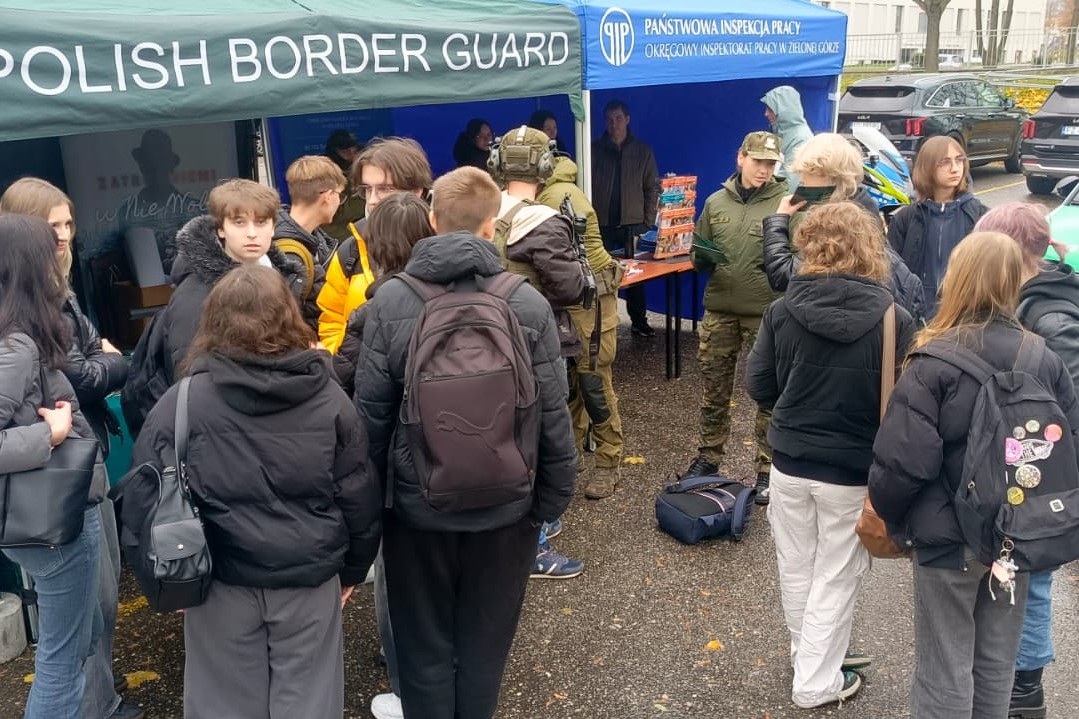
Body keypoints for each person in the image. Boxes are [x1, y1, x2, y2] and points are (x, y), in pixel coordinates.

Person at [353, 166, 576, 719]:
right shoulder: (525, 302)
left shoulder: (392, 301)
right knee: (484, 653)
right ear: (492, 225)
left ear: (432, 220)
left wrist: (369, 517)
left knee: (422, 651)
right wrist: (546, 504)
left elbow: (370, 421)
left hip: (416, 513)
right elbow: (553, 414)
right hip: (507, 510)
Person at [126, 264, 381, 719]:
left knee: (223, 705)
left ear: (213, 321)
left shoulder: (182, 401)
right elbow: (358, 495)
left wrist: (168, 580)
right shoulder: (330, 399)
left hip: (218, 579)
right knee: (309, 702)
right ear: (289, 317)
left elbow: (144, 499)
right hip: (308, 577)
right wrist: (352, 570)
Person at [868, 231, 1079, 718]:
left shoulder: (932, 359)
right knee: (996, 665)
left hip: (947, 539)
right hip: (1016, 533)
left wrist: (896, 521)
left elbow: (903, 461)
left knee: (943, 669)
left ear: (957, 279)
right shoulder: (1042, 357)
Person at [747, 202, 916, 708]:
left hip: (789, 462)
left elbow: (759, 385)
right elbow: (905, 403)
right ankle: (815, 682)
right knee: (837, 575)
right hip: (852, 470)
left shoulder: (781, 311)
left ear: (809, 245)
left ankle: (810, 657)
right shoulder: (895, 319)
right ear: (870, 247)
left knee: (797, 567)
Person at [0, 179, 139, 719]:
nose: (63, 243)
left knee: (74, 642)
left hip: (59, 501)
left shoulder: (23, 328)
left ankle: (98, 702)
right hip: (54, 510)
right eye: (49, 236)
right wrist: (52, 434)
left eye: (66, 227)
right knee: (63, 656)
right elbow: (86, 373)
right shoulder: (18, 342)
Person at [975, 203, 1077, 719]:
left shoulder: (1050, 316)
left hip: (1039, 476)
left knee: (1032, 582)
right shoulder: (1033, 299)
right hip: (1024, 466)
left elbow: (1067, 406)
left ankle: (1024, 692)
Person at [122, 179, 304, 434]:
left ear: (273, 227)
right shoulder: (196, 292)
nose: (252, 233)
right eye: (239, 222)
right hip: (224, 429)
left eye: (261, 222)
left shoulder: (280, 278)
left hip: (272, 417)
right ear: (220, 229)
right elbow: (187, 378)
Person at [491, 126, 587, 576]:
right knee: (537, 439)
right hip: (532, 342)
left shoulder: (480, 209)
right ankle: (535, 544)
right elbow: (568, 289)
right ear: (545, 166)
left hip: (486, 340)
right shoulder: (542, 221)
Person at [683, 131, 788, 505]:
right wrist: (701, 256)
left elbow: (795, 258)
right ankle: (709, 456)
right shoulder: (716, 203)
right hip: (720, 310)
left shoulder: (785, 203)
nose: (764, 170)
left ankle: (767, 467)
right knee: (714, 390)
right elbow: (698, 256)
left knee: (768, 393)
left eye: (771, 164)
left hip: (766, 313)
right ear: (741, 157)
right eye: (758, 161)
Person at [760, 133, 926, 324]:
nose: (802, 183)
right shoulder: (864, 210)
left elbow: (783, 276)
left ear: (826, 174)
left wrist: (779, 219)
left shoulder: (838, 225)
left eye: (805, 178)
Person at [536, 152, 625, 498]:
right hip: (567, 295)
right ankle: (570, 454)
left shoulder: (556, 195)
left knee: (593, 382)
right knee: (570, 379)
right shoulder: (548, 192)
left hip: (590, 297)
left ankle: (608, 462)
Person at [317, 137, 432, 355]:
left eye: (385, 189)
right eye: (367, 189)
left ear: (417, 190)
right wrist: (349, 361)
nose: (372, 200)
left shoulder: (441, 244)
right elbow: (331, 322)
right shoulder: (350, 251)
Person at [888, 135, 989, 321]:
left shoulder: (980, 216)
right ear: (927, 167)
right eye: (945, 162)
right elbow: (893, 274)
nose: (955, 168)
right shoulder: (905, 219)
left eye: (959, 160)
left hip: (964, 321)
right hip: (916, 320)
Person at [591, 99, 659, 337]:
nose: (614, 124)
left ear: (627, 119)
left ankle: (639, 320)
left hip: (632, 224)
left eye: (618, 118)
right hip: (601, 224)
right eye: (610, 119)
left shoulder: (642, 151)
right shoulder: (594, 150)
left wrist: (647, 221)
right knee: (600, 273)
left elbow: (652, 187)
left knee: (636, 277)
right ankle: (601, 322)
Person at [275, 155, 347, 327]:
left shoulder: (315, 239)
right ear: (328, 196)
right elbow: (284, 325)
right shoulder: (289, 254)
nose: (339, 202)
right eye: (339, 195)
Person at [760, 85, 814, 190]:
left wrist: (764, 194)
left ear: (783, 110)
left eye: (770, 109)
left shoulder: (800, 138)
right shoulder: (784, 133)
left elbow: (791, 180)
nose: (766, 113)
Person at [322, 129, 366, 242]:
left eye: (353, 148)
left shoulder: (364, 165)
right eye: (345, 150)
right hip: (338, 232)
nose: (351, 152)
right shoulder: (327, 173)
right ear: (335, 151)